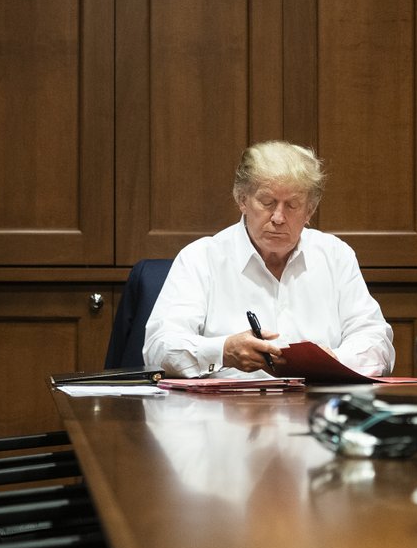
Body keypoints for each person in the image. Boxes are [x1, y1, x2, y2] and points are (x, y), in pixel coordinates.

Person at [143, 140, 395, 378]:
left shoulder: (335, 256)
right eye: (267, 202)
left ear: (310, 210)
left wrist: (334, 360)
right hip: (225, 415)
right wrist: (223, 351)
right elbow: (158, 347)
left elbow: (376, 340)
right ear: (242, 200)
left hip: (315, 410)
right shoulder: (201, 258)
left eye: (292, 205)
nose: (278, 217)